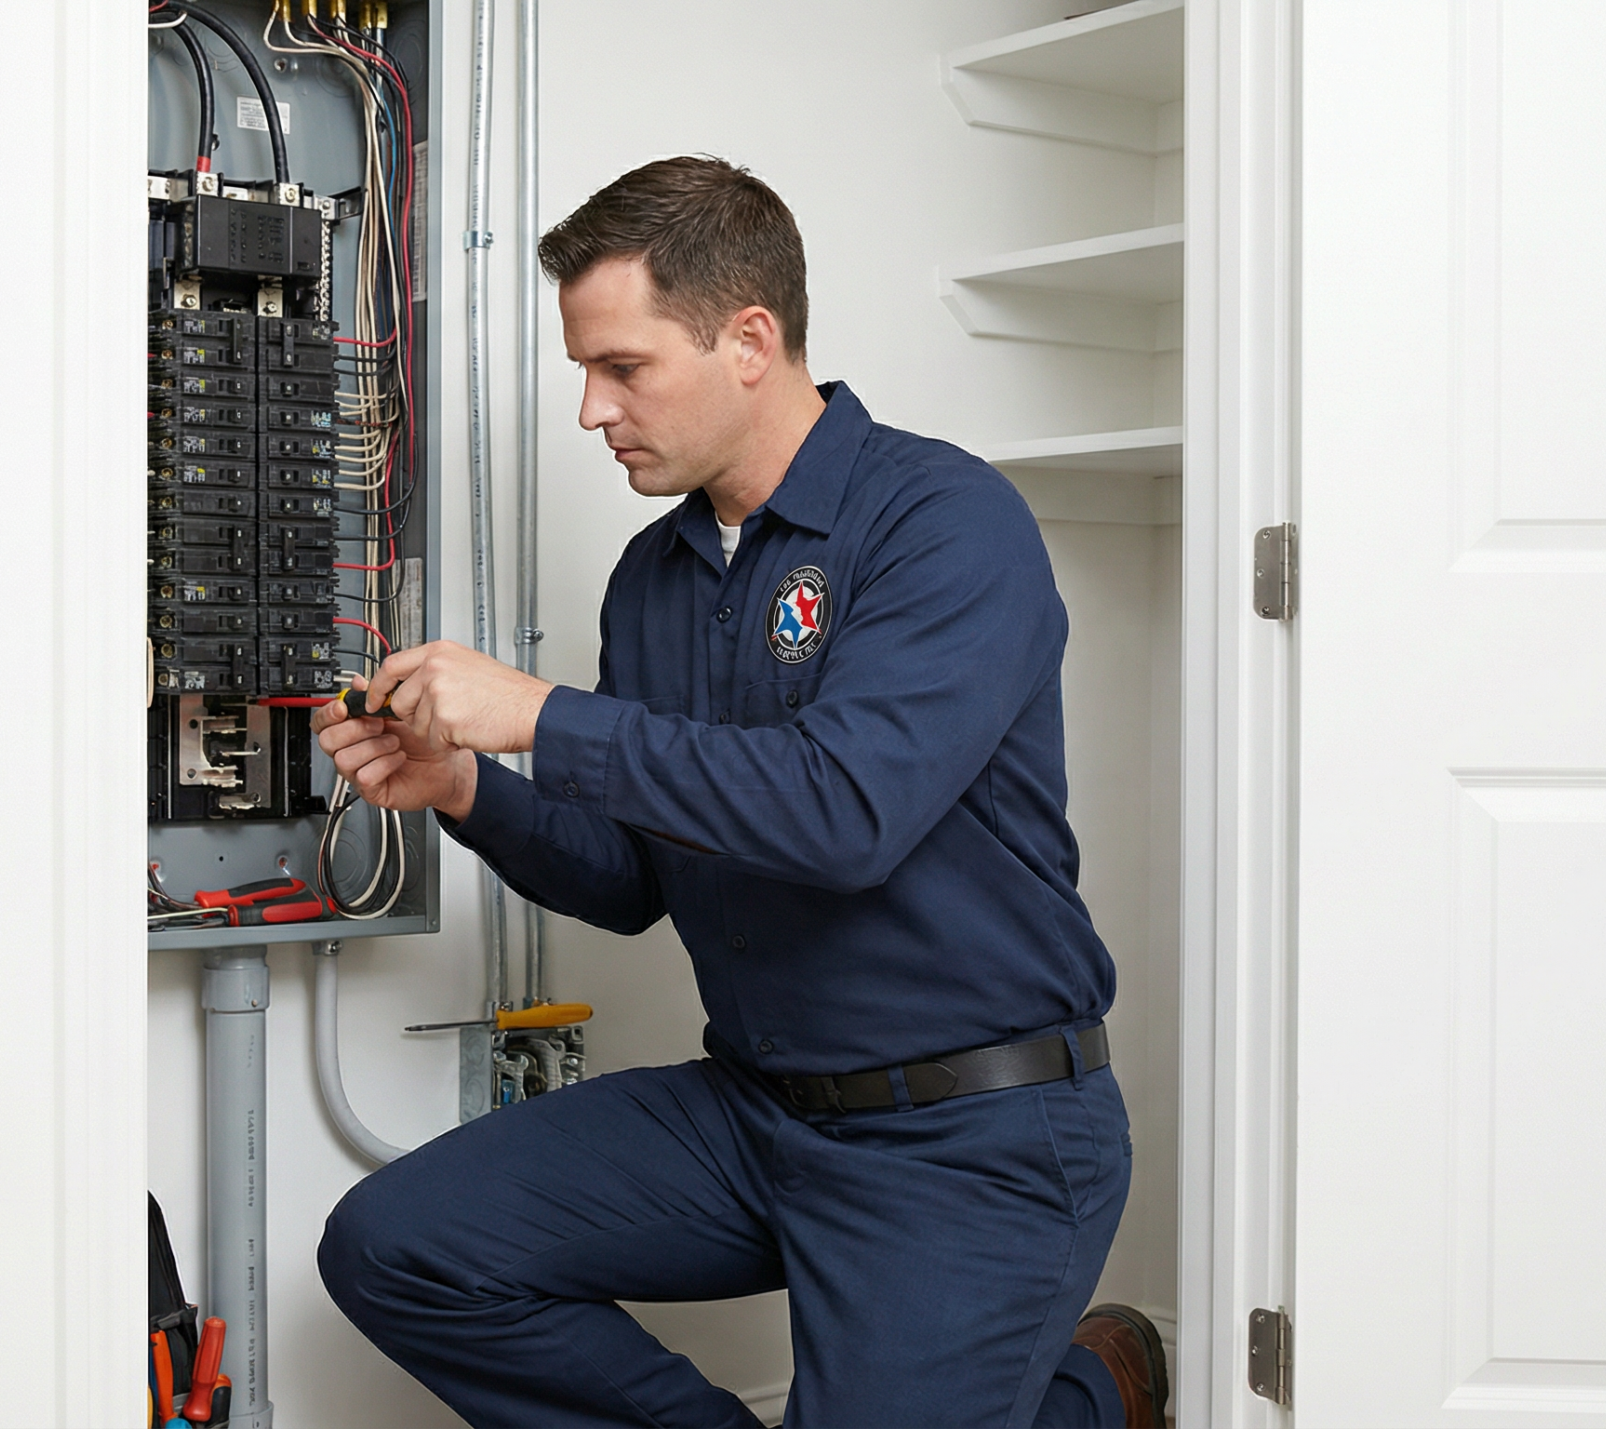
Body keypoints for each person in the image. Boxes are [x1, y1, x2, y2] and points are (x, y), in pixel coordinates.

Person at [312, 155, 1168, 1428]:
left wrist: (541, 713)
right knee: (401, 1244)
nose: (594, 409)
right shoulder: (653, 578)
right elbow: (628, 881)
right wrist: (463, 788)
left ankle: (1092, 1391)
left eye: (624, 367)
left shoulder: (943, 520)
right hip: (757, 1115)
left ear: (750, 340)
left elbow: (844, 814)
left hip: (972, 1138)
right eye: (583, 374)